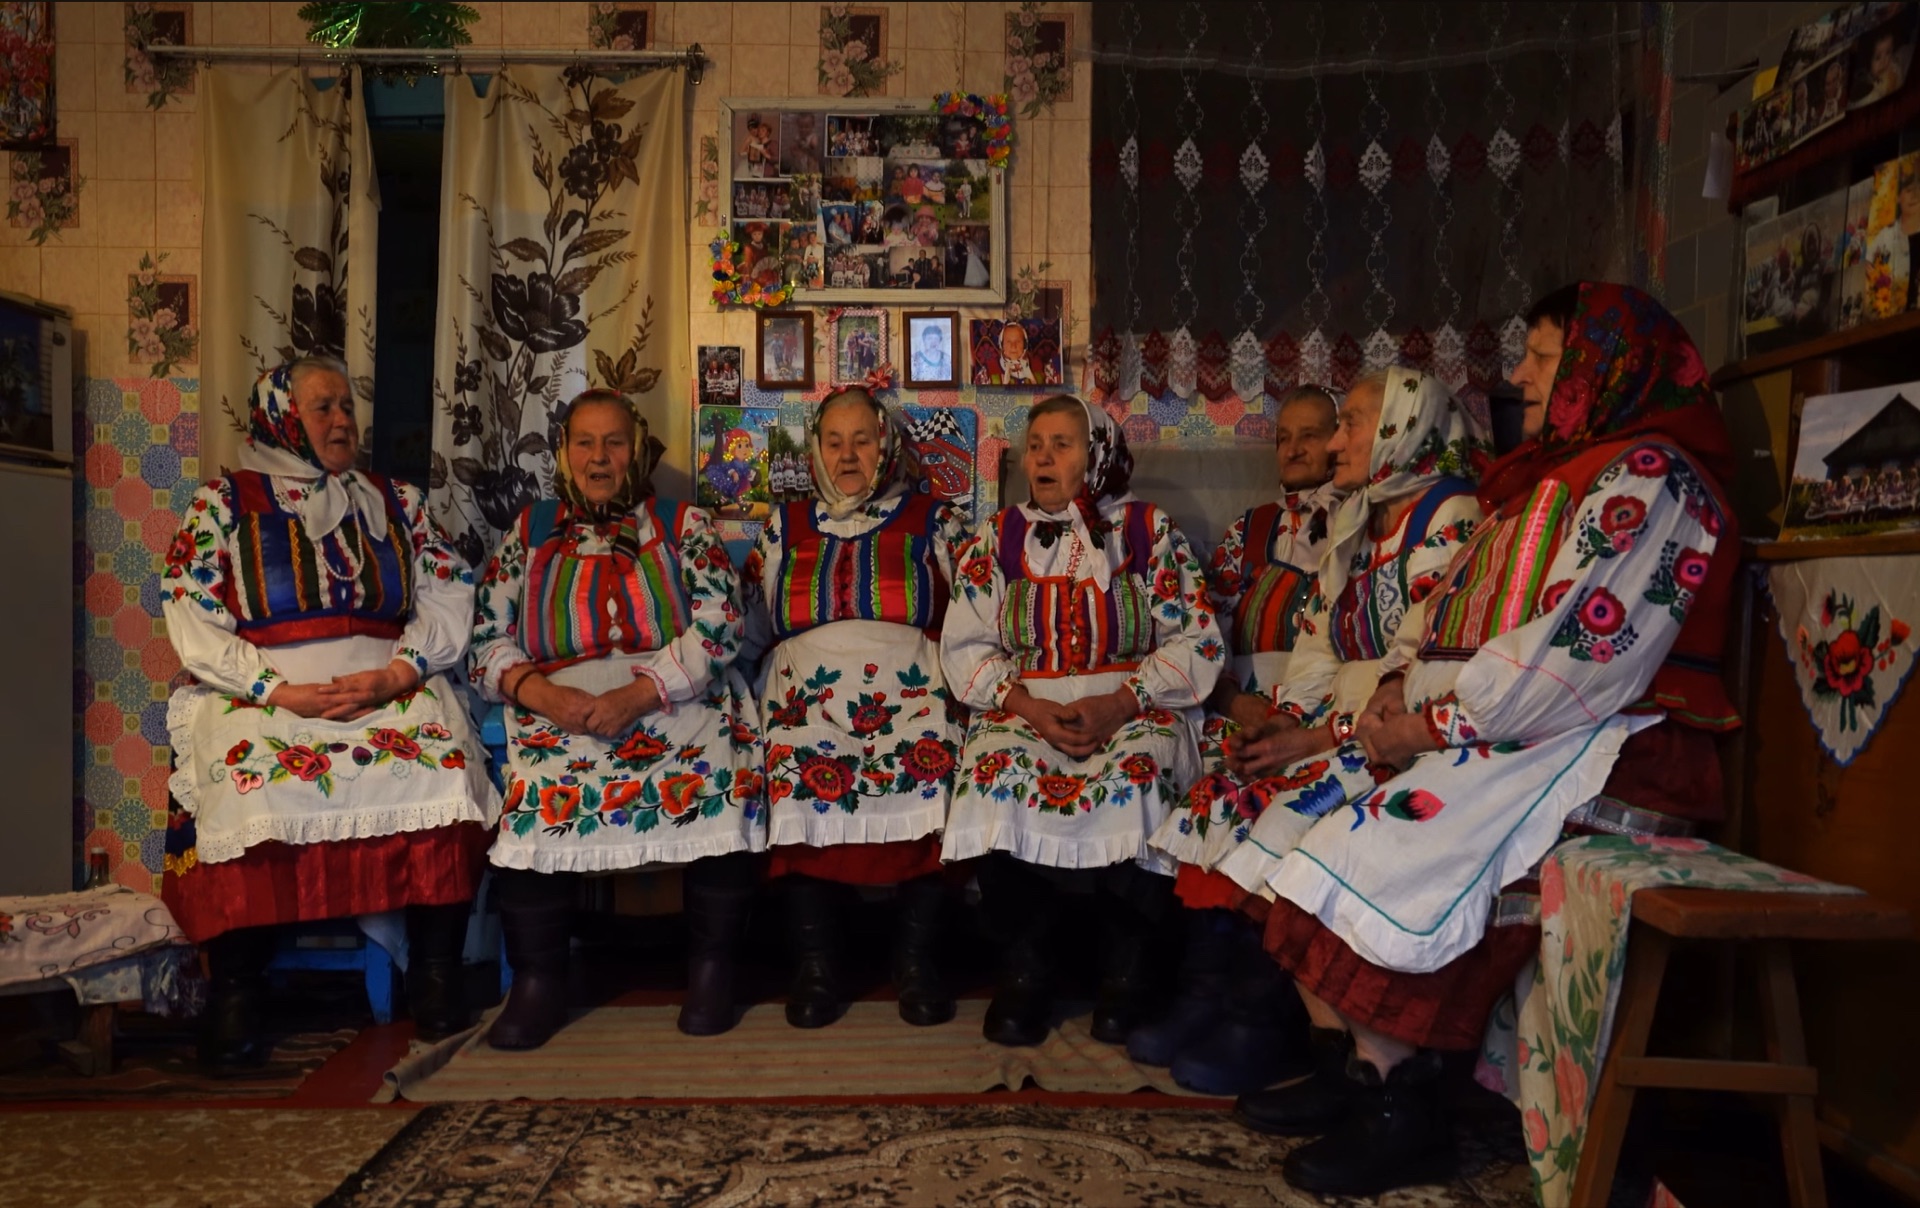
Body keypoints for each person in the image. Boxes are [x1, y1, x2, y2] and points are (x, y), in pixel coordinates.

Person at [1231, 284, 1740, 1199]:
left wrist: (1429, 727)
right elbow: (1438, 615)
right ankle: (1363, 1074)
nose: (1521, 376)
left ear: (1601, 369)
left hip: (1611, 746)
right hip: (1517, 731)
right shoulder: (1536, 483)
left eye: (1543, 358)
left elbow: (1577, 658)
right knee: (1308, 830)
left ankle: (1404, 1106)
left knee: (1387, 844)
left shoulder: (1653, 478)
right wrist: (1397, 693)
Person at [159, 359, 497, 1069]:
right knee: (246, 783)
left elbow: (448, 588)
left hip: (384, 684)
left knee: (442, 767)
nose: (342, 420)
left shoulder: (395, 501)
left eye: (347, 406)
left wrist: (398, 672)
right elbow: (191, 611)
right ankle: (238, 991)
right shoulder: (223, 503)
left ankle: (435, 974)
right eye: (322, 408)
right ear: (282, 417)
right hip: (267, 693)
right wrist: (274, 690)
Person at [471, 389, 765, 1049]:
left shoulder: (683, 523)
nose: (599, 458)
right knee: (533, 789)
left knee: (720, 766)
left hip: (670, 692)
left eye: (614, 442)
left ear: (638, 451)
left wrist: (639, 694)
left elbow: (720, 624)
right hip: (559, 702)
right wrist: (541, 695)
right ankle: (539, 979)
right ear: (564, 453)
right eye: (585, 442)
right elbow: (486, 636)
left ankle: (712, 968)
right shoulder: (531, 530)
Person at [942, 395, 1226, 1047]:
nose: (1042, 457)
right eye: (1035, 445)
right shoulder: (998, 536)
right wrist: (1027, 707)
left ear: (1097, 457)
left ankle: (1127, 972)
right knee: (991, 773)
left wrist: (1122, 701)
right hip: (1030, 706)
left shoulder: (1148, 530)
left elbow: (1198, 640)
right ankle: (1027, 969)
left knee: (1142, 773)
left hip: (1133, 703)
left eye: (1062, 444)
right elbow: (965, 646)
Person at [1126, 385, 1353, 1091]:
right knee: (1202, 790)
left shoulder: (1362, 529)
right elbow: (1205, 636)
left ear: (1341, 440)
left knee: (1264, 804)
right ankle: (1204, 994)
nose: (1294, 448)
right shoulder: (1249, 532)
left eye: (1311, 434)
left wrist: (1303, 723)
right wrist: (1233, 700)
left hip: (1323, 716)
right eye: (1284, 436)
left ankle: (1266, 1011)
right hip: (1242, 703)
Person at [743, 389, 974, 1028]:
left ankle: (915, 961)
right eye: (834, 442)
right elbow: (752, 626)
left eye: (862, 440)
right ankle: (817, 964)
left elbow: (978, 617)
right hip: (807, 691)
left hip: (910, 686)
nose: (847, 456)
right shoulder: (783, 527)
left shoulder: (936, 520)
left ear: (887, 446)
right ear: (816, 451)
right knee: (790, 757)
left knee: (936, 757)